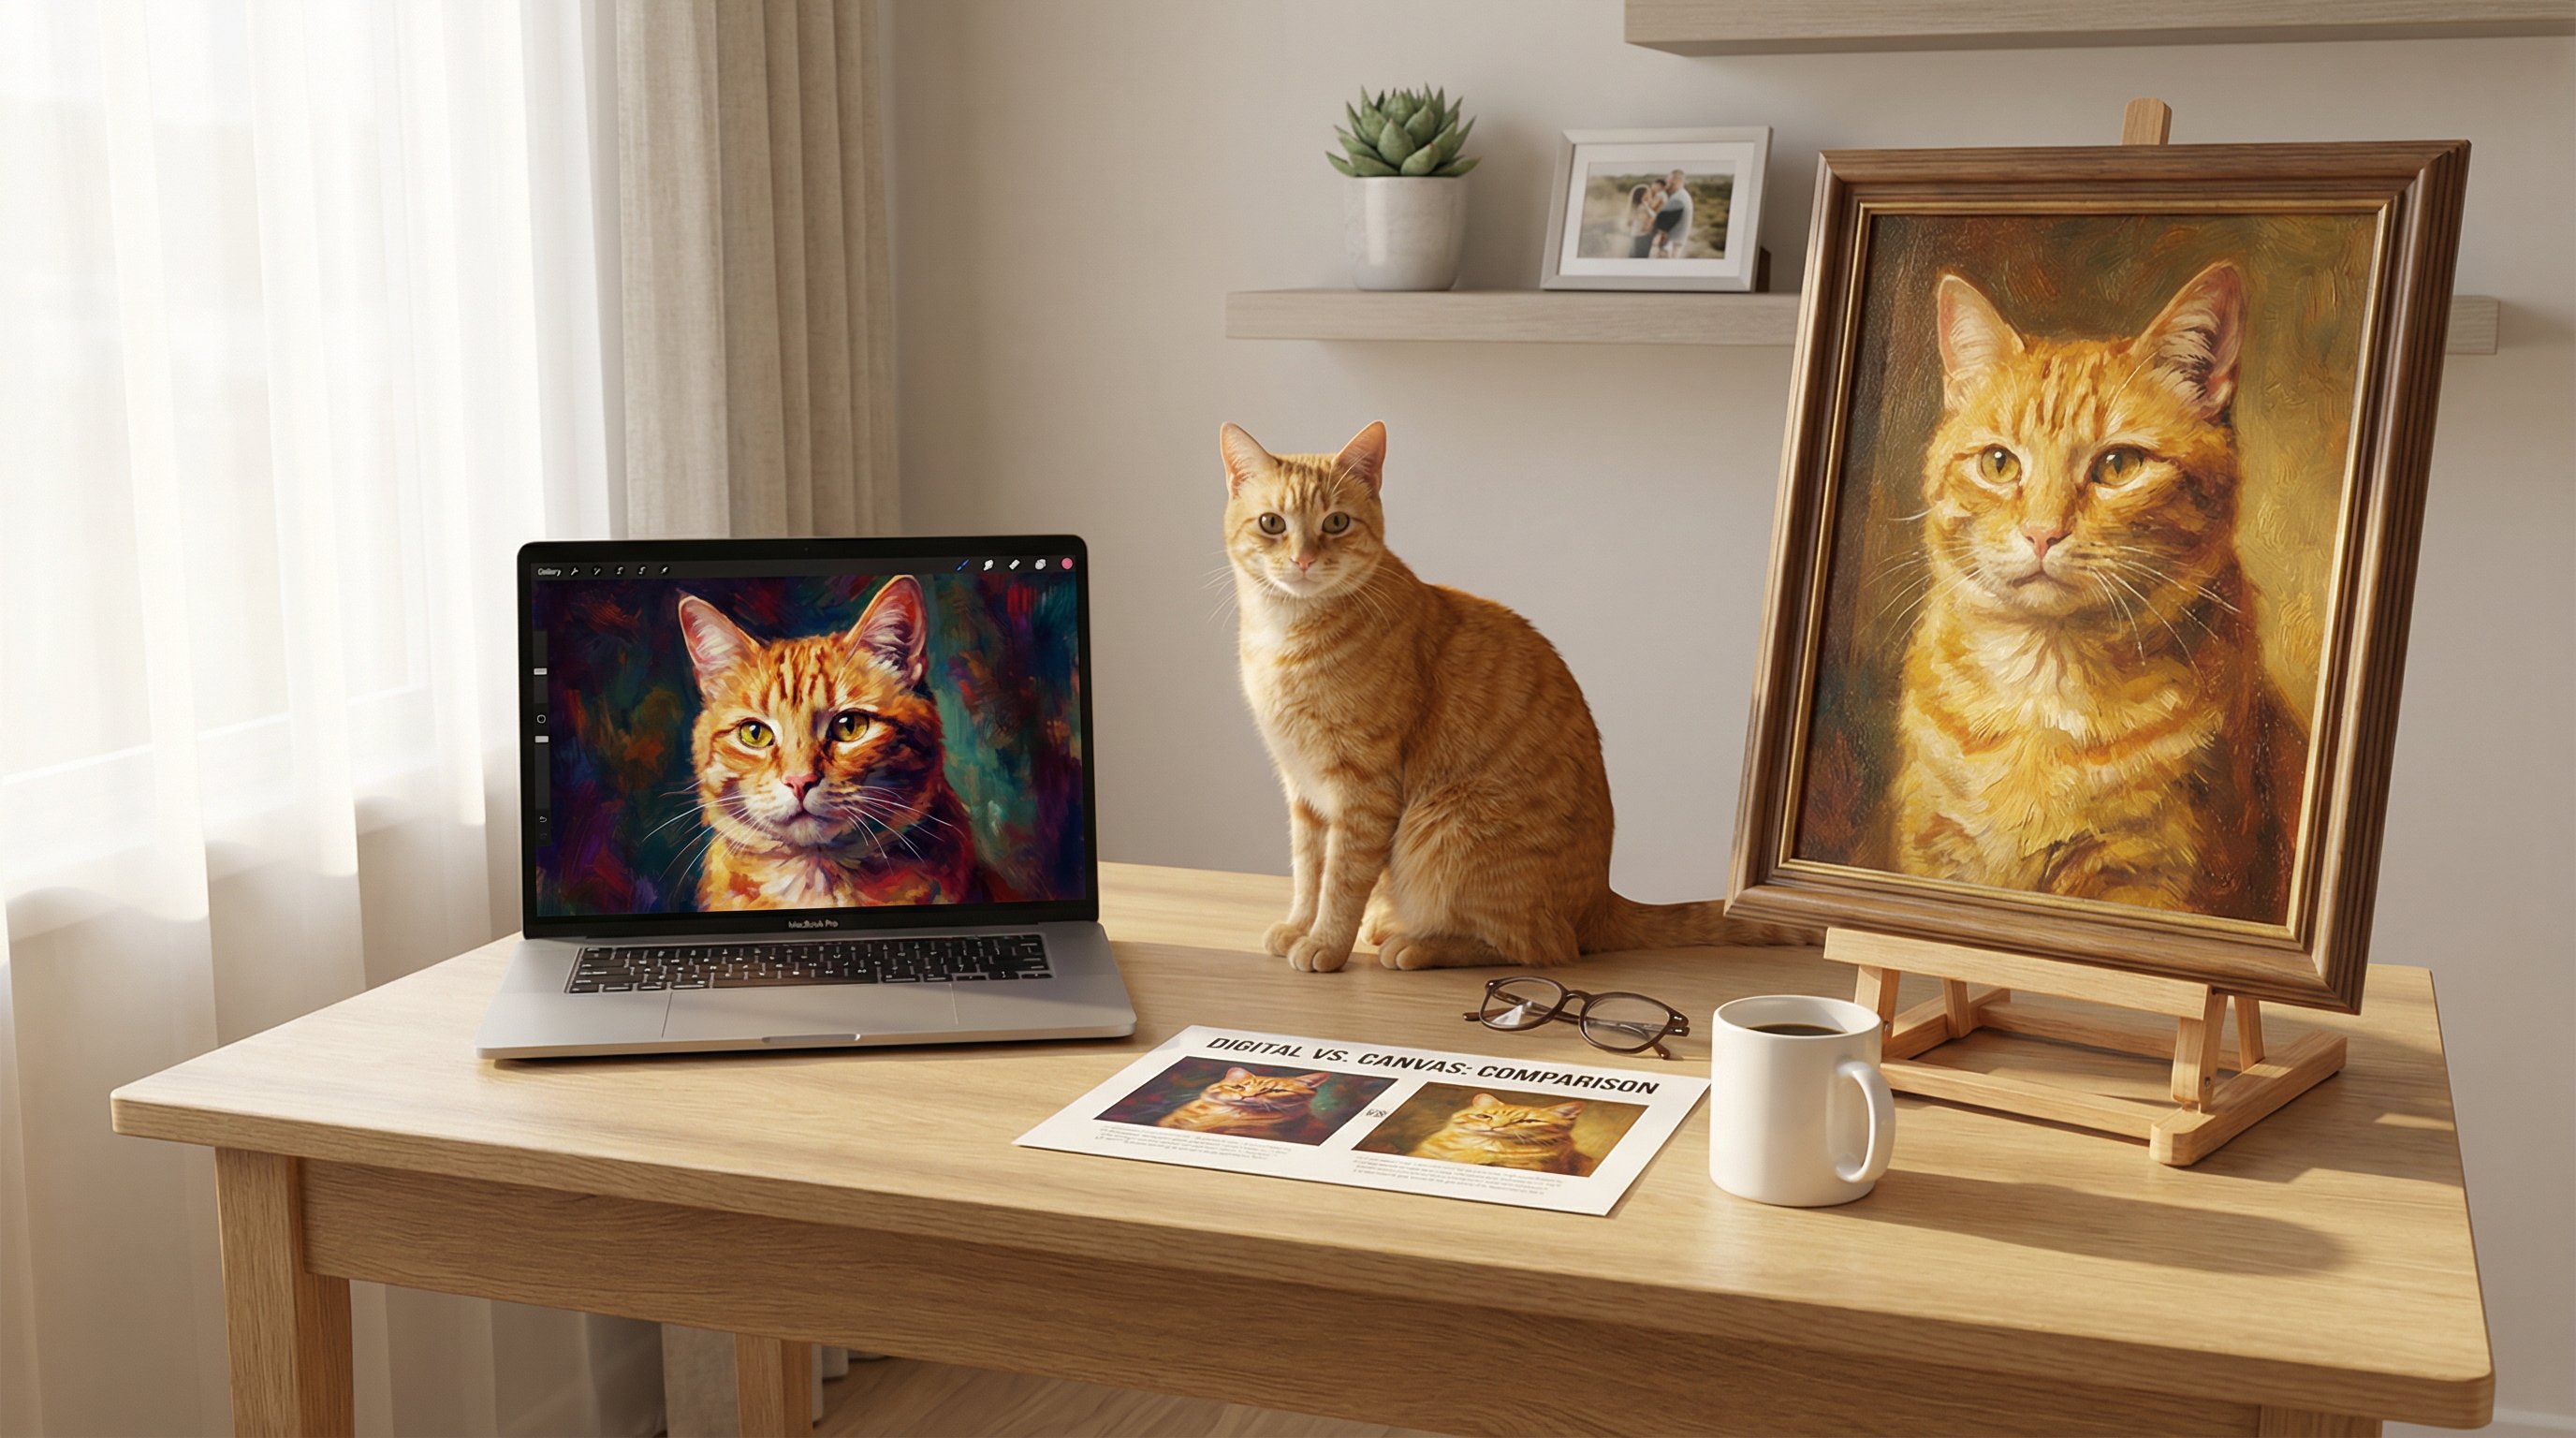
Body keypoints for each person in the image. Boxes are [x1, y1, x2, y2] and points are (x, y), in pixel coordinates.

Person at [1650, 169, 1692, 258]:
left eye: (1669, 181)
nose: (1666, 184)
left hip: (1670, 245)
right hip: (1675, 242)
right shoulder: (1683, 195)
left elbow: (1662, 223)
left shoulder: (1678, 198)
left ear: (1677, 181)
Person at [1625, 182, 1661, 258]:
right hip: (1641, 237)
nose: (1650, 194)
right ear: (1643, 195)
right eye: (1648, 192)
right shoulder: (1642, 208)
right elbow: (1645, 224)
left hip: (1637, 236)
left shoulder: (1641, 206)